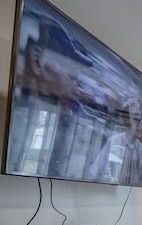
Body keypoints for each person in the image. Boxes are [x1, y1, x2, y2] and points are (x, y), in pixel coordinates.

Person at [7, 11, 94, 177]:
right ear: (36, 60)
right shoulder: (15, 106)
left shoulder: (69, 110)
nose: (77, 90)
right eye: (71, 76)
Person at [88, 97, 142, 186]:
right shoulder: (115, 142)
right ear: (127, 121)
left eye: (140, 120)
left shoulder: (140, 149)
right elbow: (94, 173)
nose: (139, 125)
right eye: (136, 120)